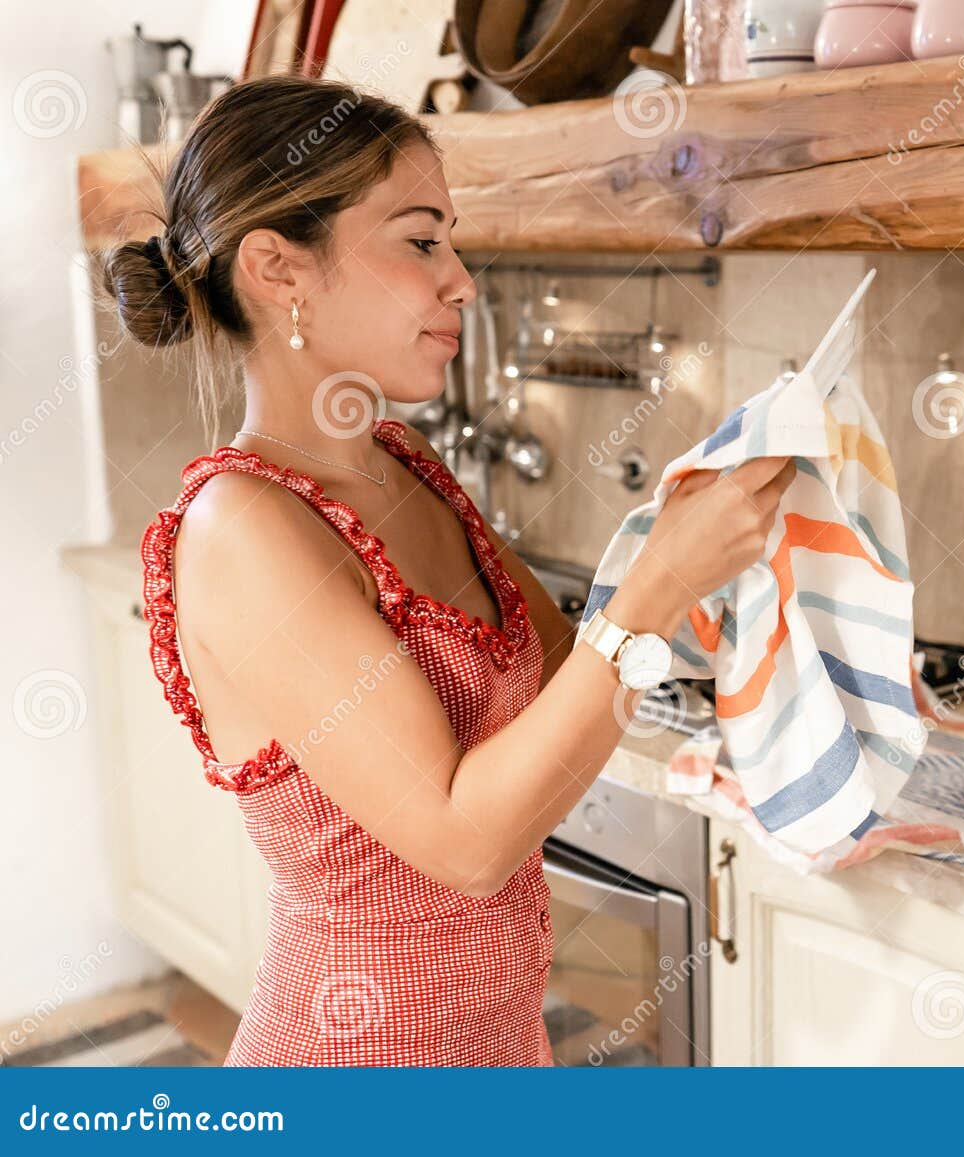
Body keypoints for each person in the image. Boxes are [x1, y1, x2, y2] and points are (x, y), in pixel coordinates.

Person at [96, 74, 795, 1065]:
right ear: (279, 269)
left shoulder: (404, 465)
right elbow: (468, 845)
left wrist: (684, 543)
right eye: (422, 240)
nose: (461, 278)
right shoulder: (242, 528)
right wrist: (656, 589)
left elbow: (567, 679)